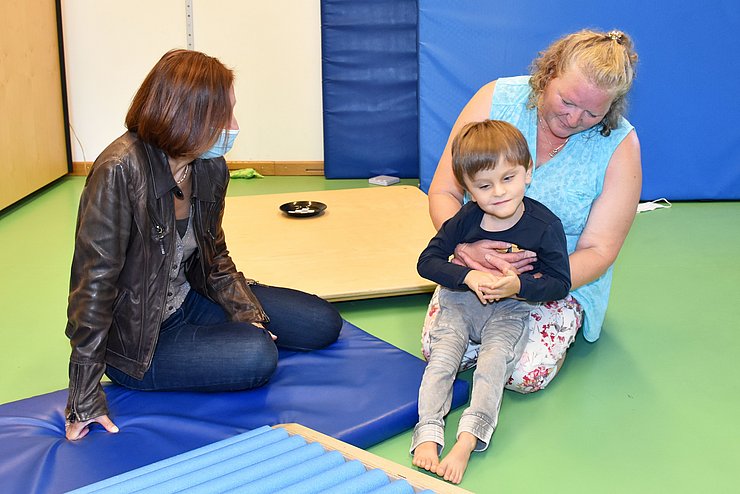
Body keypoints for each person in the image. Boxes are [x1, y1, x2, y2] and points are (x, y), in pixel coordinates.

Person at [64, 49, 343, 441]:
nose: (233, 126)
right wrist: (84, 397)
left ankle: (229, 337)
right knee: (258, 355)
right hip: (141, 341)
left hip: (191, 297)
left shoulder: (209, 167)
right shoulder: (118, 171)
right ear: (187, 118)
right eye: (223, 116)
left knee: (321, 322)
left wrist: (246, 310)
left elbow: (215, 257)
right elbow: (92, 290)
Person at [424, 29, 641, 392]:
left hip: (558, 279)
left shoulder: (620, 144)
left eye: (592, 112)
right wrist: (462, 249)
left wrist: (526, 285)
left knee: (520, 374)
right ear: (548, 73)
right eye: (567, 101)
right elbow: (444, 190)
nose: (573, 119)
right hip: (474, 265)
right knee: (440, 353)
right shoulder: (494, 100)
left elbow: (600, 250)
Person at [412, 120, 571, 483]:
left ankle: (467, 441)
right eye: (484, 186)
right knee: (440, 361)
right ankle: (428, 433)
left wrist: (518, 285)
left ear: (528, 172)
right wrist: (468, 275)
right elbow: (427, 262)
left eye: (508, 179)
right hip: (460, 303)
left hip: (509, 310)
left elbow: (560, 282)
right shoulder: (466, 218)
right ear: (468, 189)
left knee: (493, 364)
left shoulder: (545, 225)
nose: (498, 193)